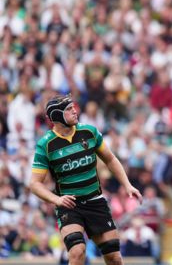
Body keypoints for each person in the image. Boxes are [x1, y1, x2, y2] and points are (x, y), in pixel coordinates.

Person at [30, 95, 143, 265]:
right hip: (70, 206)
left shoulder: (89, 132)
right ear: (57, 116)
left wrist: (127, 185)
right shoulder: (45, 145)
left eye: (73, 107)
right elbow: (34, 183)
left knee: (114, 258)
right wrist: (57, 199)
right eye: (69, 109)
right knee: (77, 252)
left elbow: (110, 159)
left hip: (95, 201)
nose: (75, 111)